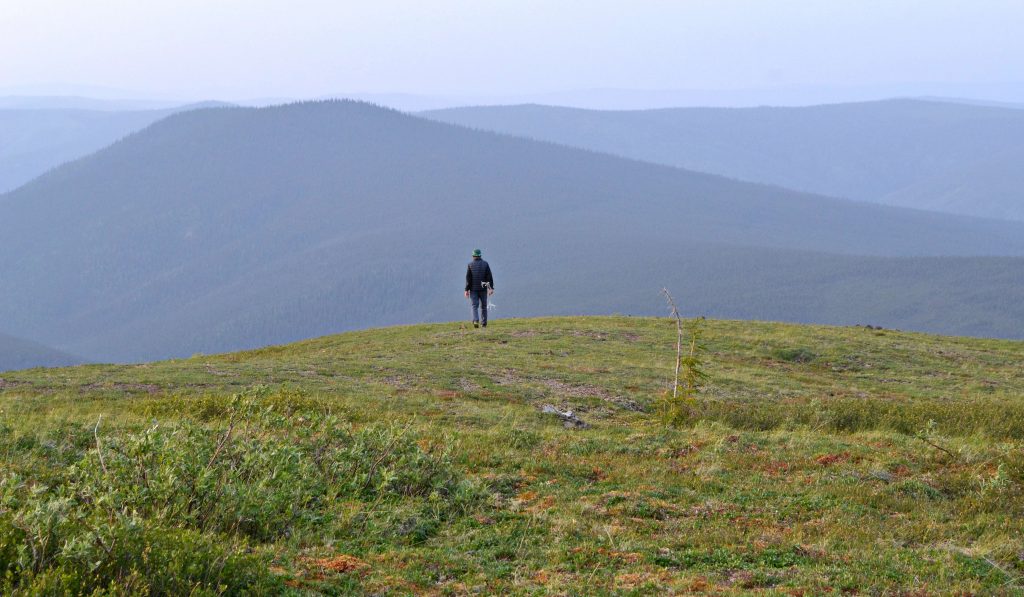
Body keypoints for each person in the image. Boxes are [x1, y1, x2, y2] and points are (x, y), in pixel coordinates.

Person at [464, 249, 494, 328]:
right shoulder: (485, 264)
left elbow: (468, 279)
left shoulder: (470, 265)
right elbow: (489, 277)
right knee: (484, 306)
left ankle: (476, 320)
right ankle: (483, 323)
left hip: (473, 290)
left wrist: (466, 290)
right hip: (483, 289)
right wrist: (490, 288)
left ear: (473, 256)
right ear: (480, 255)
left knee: (474, 305)